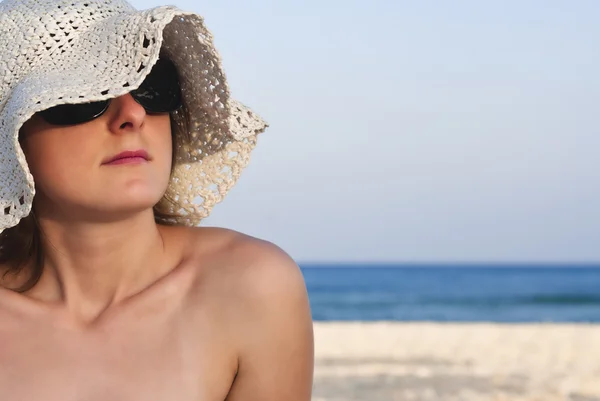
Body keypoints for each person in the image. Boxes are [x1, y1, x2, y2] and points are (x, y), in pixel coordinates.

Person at [0, 0, 314, 399]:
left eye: (152, 85)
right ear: (11, 137)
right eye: (84, 97)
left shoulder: (249, 287)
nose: (132, 113)